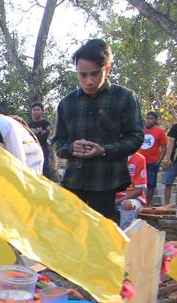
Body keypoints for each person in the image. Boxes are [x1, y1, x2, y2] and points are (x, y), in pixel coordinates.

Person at [53, 39, 144, 219]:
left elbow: (135, 137)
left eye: (95, 74)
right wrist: (72, 148)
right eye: (83, 75)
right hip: (74, 180)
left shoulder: (124, 98)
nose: (89, 81)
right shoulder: (67, 103)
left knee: (101, 236)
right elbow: (58, 142)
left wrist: (104, 151)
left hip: (106, 181)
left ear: (107, 69)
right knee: (68, 232)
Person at [137, 111, 167, 205]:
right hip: (139, 162)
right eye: (147, 118)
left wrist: (159, 161)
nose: (149, 120)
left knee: (151, 184)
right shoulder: (139, 130)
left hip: (152, 162)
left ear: (155, 120)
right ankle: (137, 202)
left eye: (151, 118)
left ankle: (147, 204)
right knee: (136, 184)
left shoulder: (160, 132)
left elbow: (164, 147)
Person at [115, 151, 148, 229]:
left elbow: (139, 191)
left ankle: (126, 236)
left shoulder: (139, 159)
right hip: (111, 197)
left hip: (133, 198)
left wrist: (118, 201)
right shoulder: (109, 157)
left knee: (127, 204)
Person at [29, 102, 55, 179]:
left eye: (38, 110)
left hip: (44, 150)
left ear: (42, 111)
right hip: (32, 151)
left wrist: (35, 137)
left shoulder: (46, 124)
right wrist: (40, 135)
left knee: (44, 171)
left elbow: (46, 137)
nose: (36, 111)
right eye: (34, 110)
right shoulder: (29, 125)